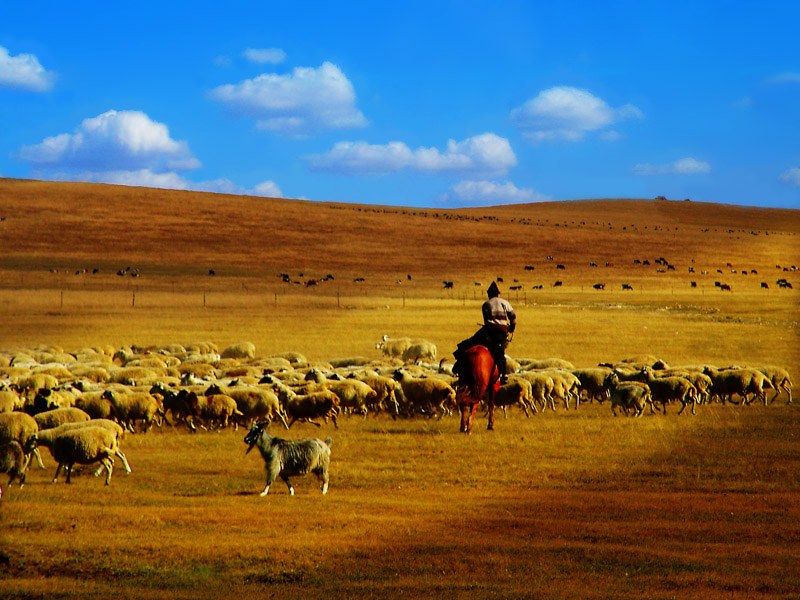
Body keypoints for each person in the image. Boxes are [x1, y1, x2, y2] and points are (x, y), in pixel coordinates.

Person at [453, 281, 516, 384]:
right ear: (498, 294)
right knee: (500, 352)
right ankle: (503, 375)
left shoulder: (486, 304)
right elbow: (513, 316)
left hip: (488, 331)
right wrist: (511, 328)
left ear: (489, 294)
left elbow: (486, 320)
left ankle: (458, 365)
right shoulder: (505, 302)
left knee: (469, 343)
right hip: (501, 332)